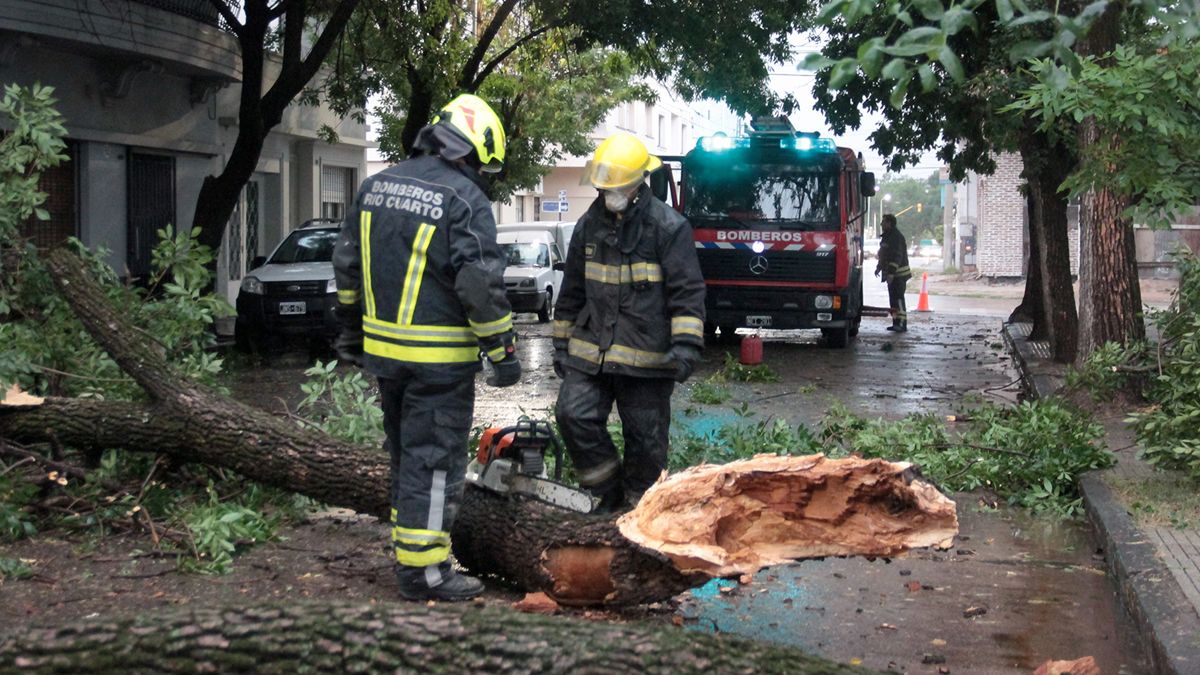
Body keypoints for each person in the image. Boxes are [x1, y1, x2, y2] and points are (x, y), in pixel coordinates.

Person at [332, 93, 520, 601]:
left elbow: (348, 267)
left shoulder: (375, 186)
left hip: (386, 359)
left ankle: (410, 555)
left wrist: (351, 331)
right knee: (434, 464)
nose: (485, 175)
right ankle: (424, 573)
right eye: (486, 164)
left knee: (405, 458)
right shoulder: (464, 199)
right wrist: (502, 352)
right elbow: (479, 284)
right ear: (474, 149)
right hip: (438, 365)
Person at [552, 132, 706, 514]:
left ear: (639, 183)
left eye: (616, 185)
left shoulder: (669, 228)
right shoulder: (589, 225)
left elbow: (687, 293)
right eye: (605, 186)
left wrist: (686, 346)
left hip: (649, 360)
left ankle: (640, 513)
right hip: (593, 355)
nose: (609, 193)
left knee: (647, 445)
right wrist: (561, 343)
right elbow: (571, 290)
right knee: (573, 414)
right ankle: (610, 494)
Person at [875, 213, 911, 332]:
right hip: (893, 274)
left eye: (883, 222)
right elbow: (884, 254)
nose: (881, 224)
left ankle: (901, 323)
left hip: (899, 275)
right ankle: (896, 322)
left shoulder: (896, 237)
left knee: (899, 299)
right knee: (893, 300)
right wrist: (879, 267)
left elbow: (897, 256)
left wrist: (891, 273)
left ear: (889, 223)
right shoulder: (887, 236)